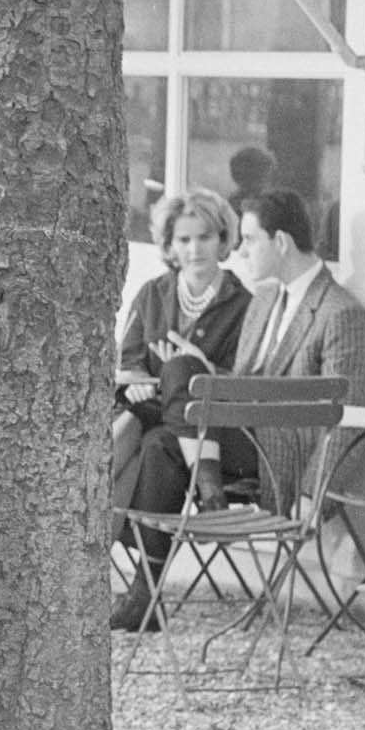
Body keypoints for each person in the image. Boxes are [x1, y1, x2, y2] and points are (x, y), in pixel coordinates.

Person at [113, 188, 365, 633]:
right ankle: (149, 589)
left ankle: (198, 501)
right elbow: (240, 384)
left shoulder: (339, 311)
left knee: (180, 376)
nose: (242, 250)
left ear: (282, 243)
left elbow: (346, 415)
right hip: (236, 434)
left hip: (277, 454)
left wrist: (314, 493)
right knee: (161, 439)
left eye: (250, 240)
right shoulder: (267, 301)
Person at [111, 189, 252, 503]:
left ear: (223, 239)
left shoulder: (245, 306)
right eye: (184, 240)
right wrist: (136, 385)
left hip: (212, 427)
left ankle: (89, 521)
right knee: (144, 431)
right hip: (149, 412)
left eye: (205, 237)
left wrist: (202, 367)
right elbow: (130, 363)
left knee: (152, 434)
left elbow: (244, 381)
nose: (195, 249)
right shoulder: (152, 293)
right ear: (170, 245)